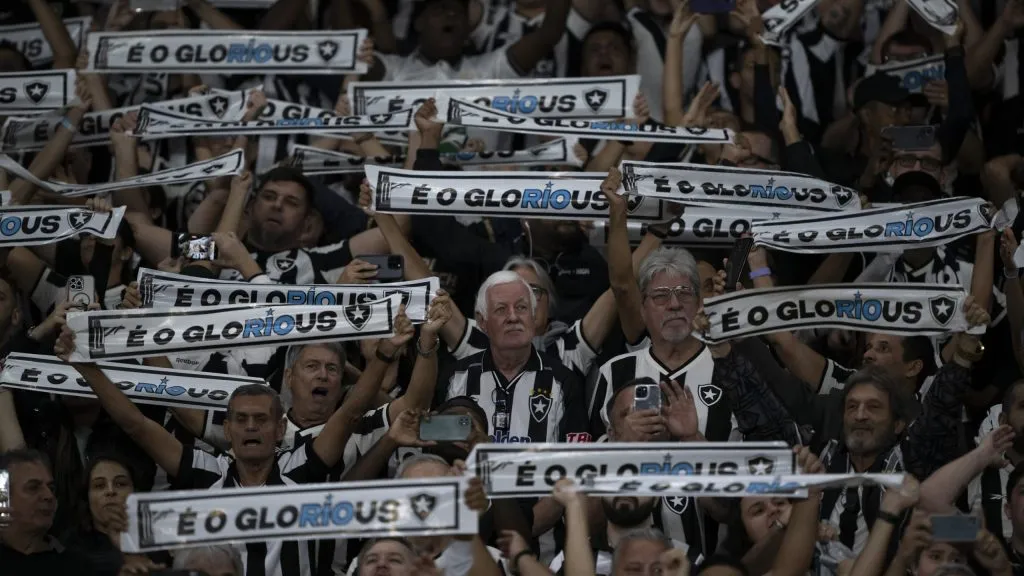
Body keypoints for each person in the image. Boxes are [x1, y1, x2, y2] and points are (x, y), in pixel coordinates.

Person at [52, 309, 415, 576]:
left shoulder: (302, 466)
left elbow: (350, 412)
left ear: (279, 429)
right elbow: (136, 425)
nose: (250, 427)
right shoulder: (209, 471)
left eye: (261, 419)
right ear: (227, 431)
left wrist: (384, 355)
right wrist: (86, 368)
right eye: (241, 419)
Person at [0, 449, 92, 574]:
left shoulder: (76, 566)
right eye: (33, 487)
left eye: (51, 488)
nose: (49, 496)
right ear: (4, 498)